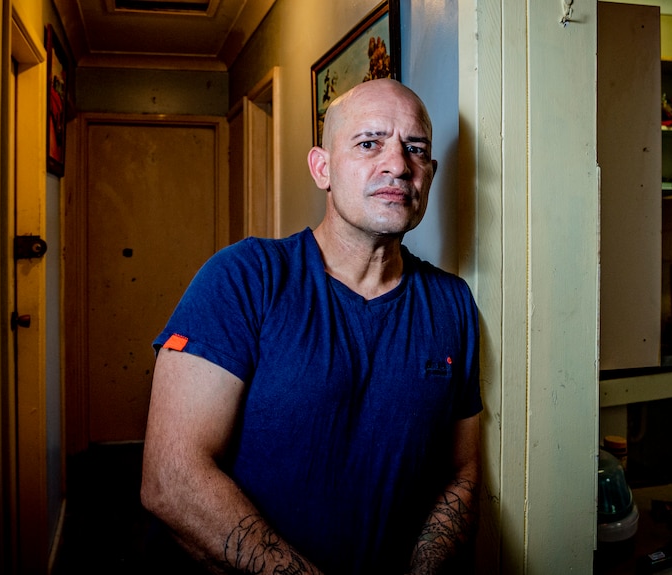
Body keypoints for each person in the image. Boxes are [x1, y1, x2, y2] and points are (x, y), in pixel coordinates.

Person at [140, 78, 482, 575]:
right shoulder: (244, 276)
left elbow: (462, 470)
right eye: (369, 144)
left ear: (429, 172)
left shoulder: (452, 303)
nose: (397, 165)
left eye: (416, 149)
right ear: (322, 168)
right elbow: (171, 480)